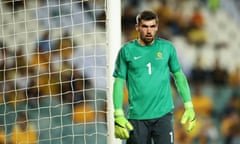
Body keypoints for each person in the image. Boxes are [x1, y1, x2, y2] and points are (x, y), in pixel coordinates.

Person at [112, 10, 196, 144]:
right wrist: (118, 112)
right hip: (137, 117)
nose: (149, 31)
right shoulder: (126, 51)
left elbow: (179, 76)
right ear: (137, 27)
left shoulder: (167, 48)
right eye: (145, 26)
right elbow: (118, 82)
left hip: (163, 116)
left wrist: (189, 105)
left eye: (152, 26)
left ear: (157, 27)